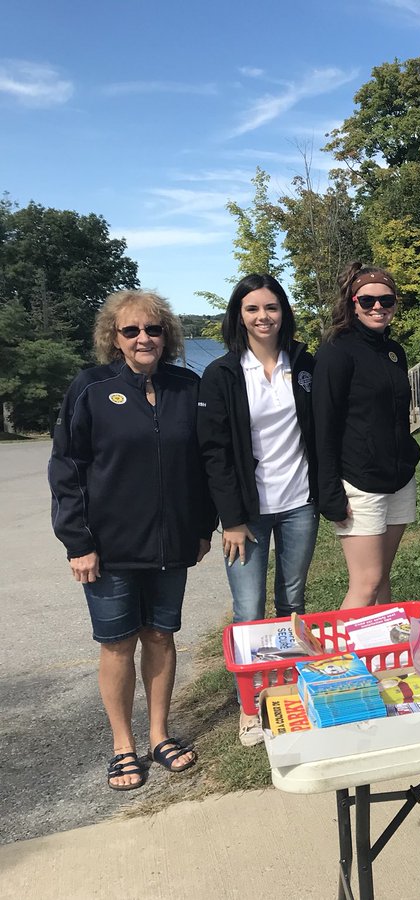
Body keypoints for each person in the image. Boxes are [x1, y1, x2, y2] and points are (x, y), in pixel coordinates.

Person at [49, 290, 214, 790]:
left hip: (170, 544)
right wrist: (78, 541)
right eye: (132, 330)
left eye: (154, 329)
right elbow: (67, 467)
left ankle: (160, 735)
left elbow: (204, 463)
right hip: (109, 546)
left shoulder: (187, 386)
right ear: (113, 338)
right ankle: (124, 745)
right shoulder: (91, 387)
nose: (144, 338)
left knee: (161, 637)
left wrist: (201, 526)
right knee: (117, 643)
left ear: (168, 335)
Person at [198, 274, 319, 745]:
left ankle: (288, 687)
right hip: (246, 514)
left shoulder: (303, 364)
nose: (263, 317)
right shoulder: (223, 373)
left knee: (292, 601)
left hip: (298, 503)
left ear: (283, 312)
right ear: (239, 316)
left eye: (271, 307)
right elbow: (214, 452)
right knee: (249, 610)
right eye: (253, 309)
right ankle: (250, 707)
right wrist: (230, 518)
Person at [312, 263, 420, 609]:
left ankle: (378, 659)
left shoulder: (394, 352)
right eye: (368, 300)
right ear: (352, 302)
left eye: (386, 300)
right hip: (358, 482)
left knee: (383, 578)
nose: (378, 307)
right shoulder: (336, 351)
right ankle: (341, 663)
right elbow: (323, 425)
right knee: (366, 582)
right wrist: (328, 491)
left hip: (398, 479)